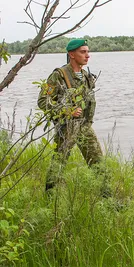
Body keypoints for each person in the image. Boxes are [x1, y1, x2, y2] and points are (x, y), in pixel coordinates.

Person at [38, 39, 110, 197]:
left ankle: (108, 201)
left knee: (98, 163)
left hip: (85, 127)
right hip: (67, 127)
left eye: (88, 52)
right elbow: (43, 101)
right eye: (83, 52)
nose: (87, 55)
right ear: (71, 54)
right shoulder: (58, 75)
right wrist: (67, 111)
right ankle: (50, 198)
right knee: (59, 163)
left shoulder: (85, 76)